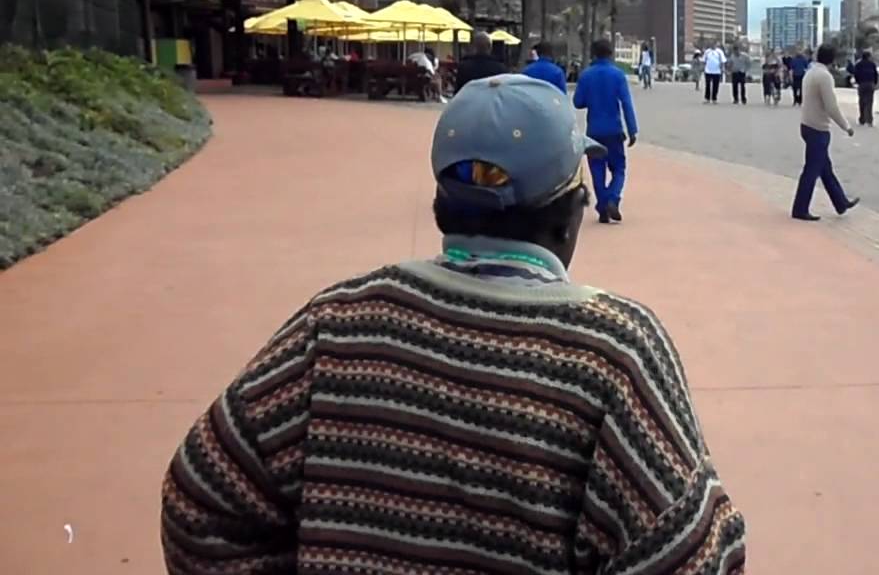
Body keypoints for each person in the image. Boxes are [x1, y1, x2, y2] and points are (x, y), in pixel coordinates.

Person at [160, 74, 746, 575]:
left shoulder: (334, 324)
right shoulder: (613, 351)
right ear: (569, 214)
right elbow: (693, 555)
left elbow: (202, 494)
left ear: (443, 203)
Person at [791, 43, 859, 221]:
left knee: (825, 169)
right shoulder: (824, 76)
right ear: (833, 59)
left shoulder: (810, 72)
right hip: (818, 128)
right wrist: (846, 126)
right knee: (812, 170)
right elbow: (831, 106)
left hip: (807, 124)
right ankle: (800, 208)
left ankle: (840, 202)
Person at [574, 39, 639, 224]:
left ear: (593, 53)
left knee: (597, 170)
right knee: (619, 168)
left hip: (594, 130)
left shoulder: (586, 75)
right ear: (610, 53)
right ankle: (613, 198)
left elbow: (577, 102)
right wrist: (632, 129)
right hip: (614, 130)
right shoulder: (618, 75)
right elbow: (626, 103)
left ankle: (603, 205)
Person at [853, 50, 879, 126]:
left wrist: (858, 82)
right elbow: (875, 75)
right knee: (869, 102)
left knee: (862, 102)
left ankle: (862, 119)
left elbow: (856, 74)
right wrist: (875, 83)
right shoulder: (872, 64)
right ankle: (869, 120)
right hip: (870, 84)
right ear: (868, 57)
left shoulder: (858, 64)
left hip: (862, 84)